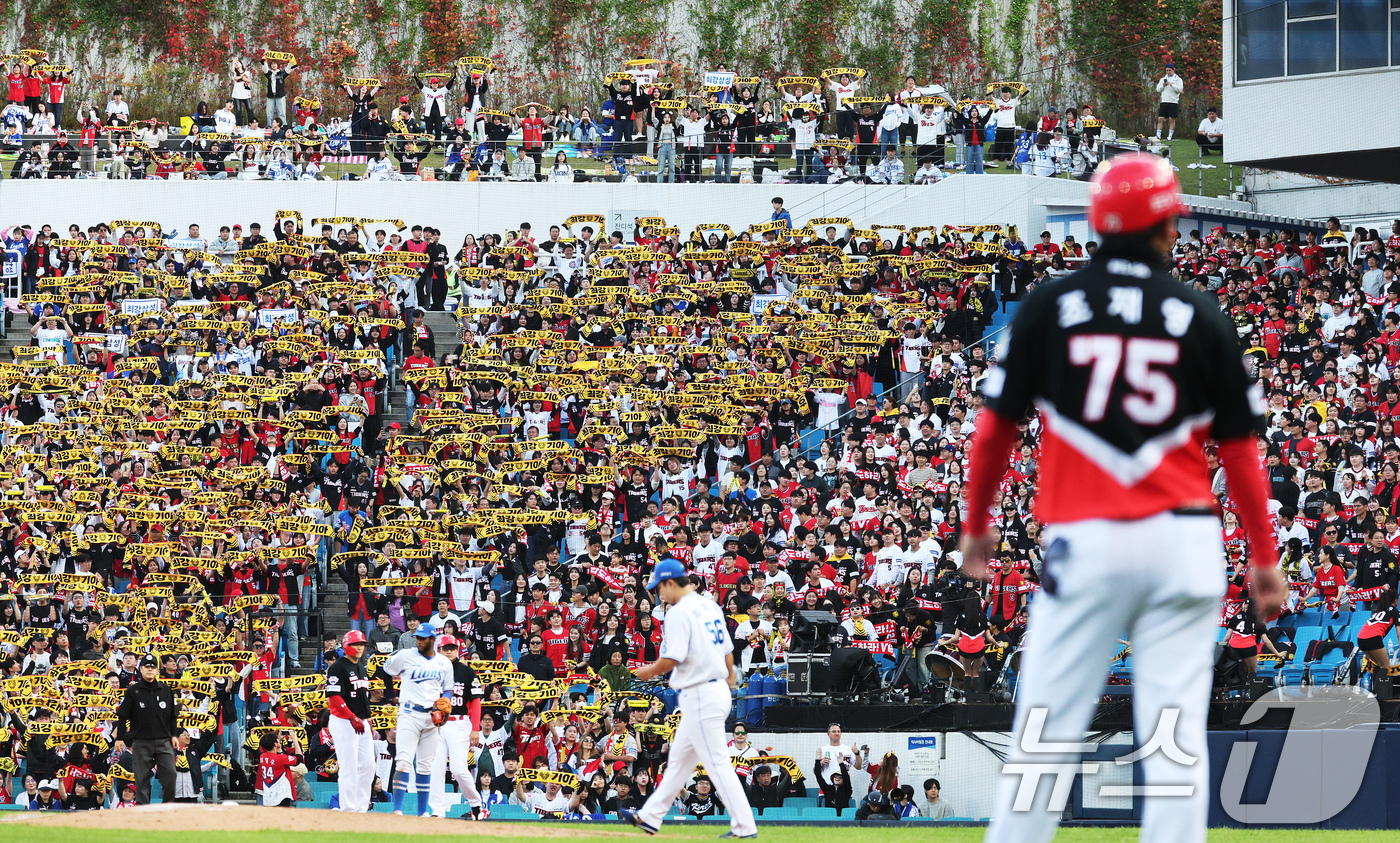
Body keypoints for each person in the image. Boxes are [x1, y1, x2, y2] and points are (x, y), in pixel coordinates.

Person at [967, 152, 1285, 843]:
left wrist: (976, 524)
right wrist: (1264, 557)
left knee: (1045, 725)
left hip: (1090, 537)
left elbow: (994, 430)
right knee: (1174, 733)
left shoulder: (1051, 304)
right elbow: (1241, 456)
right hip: (1185, 543)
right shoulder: (1203, 315)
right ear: (1165, 225)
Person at [619, 558, 757, 838]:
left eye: (659, 588)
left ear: (671, 582)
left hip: (701, 693)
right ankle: (649, 817)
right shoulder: (708, 604)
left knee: (718, 764)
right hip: (712, 689)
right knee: (679, 764)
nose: (658, 594)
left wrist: (645, 671)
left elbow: (672, 657)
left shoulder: (679, 612)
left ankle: (744, 826)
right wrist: (729, 676)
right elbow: (728, 650)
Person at [383, 624, 454, 816]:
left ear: (432, 639)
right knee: (403, 761)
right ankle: (397, 810)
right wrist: (392, 696)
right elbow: (386, 670)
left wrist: (446, 699)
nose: (419, 641)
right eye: (417, 638)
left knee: (424, 765)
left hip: (432, 717)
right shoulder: (406, 655)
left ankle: (423, 812)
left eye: (423, 638)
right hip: (409, 714)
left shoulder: (444, 662)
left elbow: (448, 687)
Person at [427, 635, 488, 821]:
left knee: (458, 768)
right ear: (439, 650)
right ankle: (438, 811)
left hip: (460, 723)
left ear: (458, 649)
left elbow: (476, 702)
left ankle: (476, 804)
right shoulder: (432, 672)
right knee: (435, 768)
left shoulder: (467, 672)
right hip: (436, 724)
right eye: (445, 648)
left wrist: (475, 728)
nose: (449, 651)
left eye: (452, 648)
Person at [113, 654, 178, 805]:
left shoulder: (165, 690)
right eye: (147, 666)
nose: (150, 669)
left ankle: (167, 806)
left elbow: (173, 715)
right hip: (141, 742)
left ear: (157, 671)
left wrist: (174, 735)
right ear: (140, 669)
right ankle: (143, 810)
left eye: (153, 667)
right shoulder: (133, 691)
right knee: (141, 779)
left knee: (170, 774)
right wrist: (120, 737)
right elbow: (122, 715)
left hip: (163, 741)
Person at [326, 629, 375, 813]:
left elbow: (363, 696)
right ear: (347, 645)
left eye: (362, 644)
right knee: (349, 767)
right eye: (356, 644)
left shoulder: (361, 666)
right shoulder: (338, 666)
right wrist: (351, 716)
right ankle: (348, 809)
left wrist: (366, 717)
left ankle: (361, 809)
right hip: (343, 721)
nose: (360, 647)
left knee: (369, 766)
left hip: (361, 721)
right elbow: (334, 696)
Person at [1154, 62, 1183, 140]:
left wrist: (1171, 84)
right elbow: (1158, 89)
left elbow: (1180, 90)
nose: (1168, 72)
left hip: (1173, 101)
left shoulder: (1178, 79)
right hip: (1164, 101)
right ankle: (1158, 135)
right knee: (1160, 118)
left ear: (1173, 70)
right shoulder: (1163, 79)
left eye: (1169, 70)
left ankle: (1170, 136)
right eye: (1167, 70)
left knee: (1171, 119)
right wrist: (1164, 85)